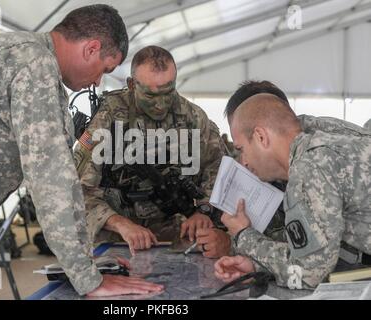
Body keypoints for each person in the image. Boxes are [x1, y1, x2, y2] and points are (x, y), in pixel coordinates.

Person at [0, 4, 163, 299]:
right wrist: (89, 279)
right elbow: (51, 181)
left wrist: (83, 265)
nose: (99, 81)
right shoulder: (36, 66)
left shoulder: (23, 53)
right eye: (105, 69)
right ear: (91, 48)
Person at [73, 45, 229, 257]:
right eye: (150, 95)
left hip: (179, 239)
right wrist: (120, 224)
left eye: (168, 92)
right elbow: (78, 189)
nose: (160, 105)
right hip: (117, 241)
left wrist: (203, 210)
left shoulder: (194, 117)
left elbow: (220, 169)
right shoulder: (108, 118)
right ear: (131, 85)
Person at [215, 93, 371, 289]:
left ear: (261, 137)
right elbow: (316, 248)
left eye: (241, 149)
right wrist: (259, 266)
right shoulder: (322, 139)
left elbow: (306, 275)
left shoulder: (309, 167)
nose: (244, 161)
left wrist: (243, 235)